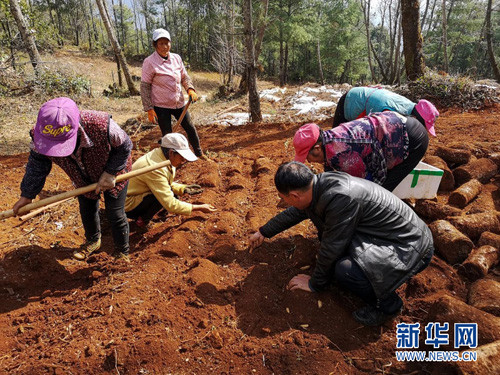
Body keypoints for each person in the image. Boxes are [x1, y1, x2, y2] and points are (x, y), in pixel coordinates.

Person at [249, 162, 434, 326]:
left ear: (295, 195)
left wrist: (315, 283)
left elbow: (332, 247)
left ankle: (389, 306)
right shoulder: (318, 186)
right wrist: (264, 231)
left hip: (410, 247)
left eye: (283, 197)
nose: (283, 201)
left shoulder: (340, 198)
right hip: (387, 235)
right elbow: (296, 213)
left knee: (345, 270)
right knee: (333, 247)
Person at [12, 97, 133, 262]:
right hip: (80, 175)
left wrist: (111, 172)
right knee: (87, 208)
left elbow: (125, 146)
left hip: (114, 170)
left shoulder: (101, 125)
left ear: (77, 127)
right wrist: (27, 195)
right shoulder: (39, 135)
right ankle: (93, 241)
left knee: (115, 212)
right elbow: (37, 165)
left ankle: (121, 253)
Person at [293, 111, 429, 191]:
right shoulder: (328, 139)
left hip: (412, 138)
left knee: (382, 192)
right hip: (397, 123)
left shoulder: (342, 154)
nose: (308, 161)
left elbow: (366, 185)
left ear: (317, 148)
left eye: (307, 156)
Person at [140, 28, 207, 160]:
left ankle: (199, 153)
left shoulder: (176, 58)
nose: (165, 46)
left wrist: (190, 89)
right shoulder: (149, 62)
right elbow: (145, 87)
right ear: (155, 45)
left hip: (179, 103)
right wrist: (149, 108)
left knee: (190, 128)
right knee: (167, 134)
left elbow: (184, 77)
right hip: (161, 105)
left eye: (167, 43)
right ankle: (168, 160)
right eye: (161, 43)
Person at [125, 133, 216, 226]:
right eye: (182, 157)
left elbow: (165, 182)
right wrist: (199, 207)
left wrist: (182, 188)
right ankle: (143, 220)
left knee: (169, 192)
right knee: (159, 197)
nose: (183, 161)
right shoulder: (154, 168)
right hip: (127, 204)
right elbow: (170, 204)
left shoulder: (162, 156)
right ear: (171, 152)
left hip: (139, 193)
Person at [332, 86, 439, 136]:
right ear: (416, 118)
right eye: (422, 125)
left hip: (363, 96)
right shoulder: (392, 113)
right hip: (353, 100)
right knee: (338, 135)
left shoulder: (409, 107)